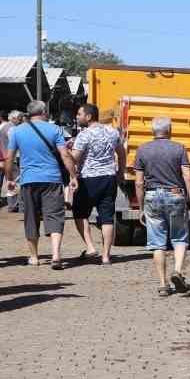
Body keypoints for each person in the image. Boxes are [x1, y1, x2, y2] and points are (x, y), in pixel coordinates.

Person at [6, 99, 79, 269]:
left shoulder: (16, 131)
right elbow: (65, 155)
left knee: (30, 217)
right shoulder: (55, 129)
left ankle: (34, 256)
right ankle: (56, 255)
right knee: (55, 215)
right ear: (44, 111)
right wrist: (73, 176)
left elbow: (9, 158)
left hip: (28, 180)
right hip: (52, 179)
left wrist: (9, 178)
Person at [132, 116, 190, 297]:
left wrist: (140, 208)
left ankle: (163, 285)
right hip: (176, 194)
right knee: (179, 238)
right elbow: (188, 176)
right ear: (170, 131)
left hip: (152, 196)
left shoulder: (142, 150)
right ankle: (177, 271)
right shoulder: (179, 148)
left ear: (153, 131)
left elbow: (138, 183)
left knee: (157, 243)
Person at [70, 103, 124, 265]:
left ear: (88, 116)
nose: (77, 117)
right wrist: (120, 172)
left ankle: (90, 246)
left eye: (79, 114)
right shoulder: (112, 131)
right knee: (107, 217)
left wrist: (67, 150)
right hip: (109, 177)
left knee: (80, 213)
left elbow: (75, 158)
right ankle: (106, 255)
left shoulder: (85, 135)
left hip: (88, 178)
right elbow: (121, 153)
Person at [0, 111, 24, 212]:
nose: (21, 121)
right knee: (15, 182)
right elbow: (15, 142)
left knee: (1, 183)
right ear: (13, 118)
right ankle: (14, 205)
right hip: (11, 159)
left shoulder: (2, 128)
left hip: (1, 158)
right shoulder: (11, 128)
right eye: (19, 119)